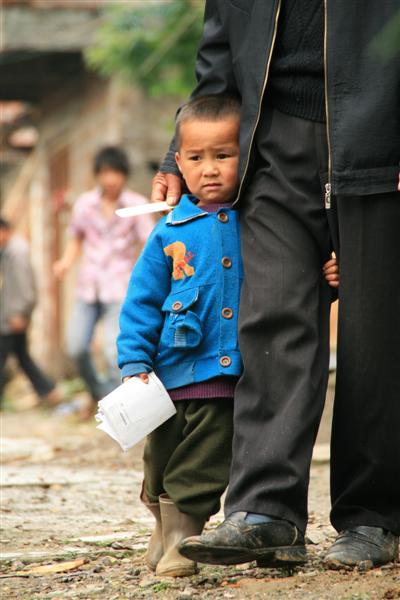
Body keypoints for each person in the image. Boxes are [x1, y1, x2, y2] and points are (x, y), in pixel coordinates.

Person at [151, 1, 400, 569]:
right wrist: (178, 153)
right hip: (267, 144)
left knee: (375, 337)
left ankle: (372, 517)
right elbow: (218, 54)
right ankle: (266, 511)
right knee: (270, 314)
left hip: (379, 141)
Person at [117, 94, 339, 577]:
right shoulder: (168, 231)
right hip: (169, 375)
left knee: (202, 464)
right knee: (160, 460)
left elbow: (292, 282)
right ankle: (162, 526)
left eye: (224, 155)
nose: (210, 170)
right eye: (196, 158)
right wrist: (134, 361)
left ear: (248, 153)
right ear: (179, 162)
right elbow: (141, 301)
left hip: (226, 375)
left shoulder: (262, 224)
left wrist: (329, 276)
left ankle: (182, 536)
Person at [54, 147, 154, 415]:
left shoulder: (136, 205)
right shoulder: (85, 204)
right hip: (88, 285)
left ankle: (119, 409)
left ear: (124, 175)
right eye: (106, 173)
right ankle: (100, 395)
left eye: (116, 173)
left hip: (120, 286)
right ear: (98, 175)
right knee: (75, 346)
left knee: (113, 350)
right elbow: (76, 237)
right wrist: (65, 261)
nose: (111, 179)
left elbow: (149, 241)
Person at [0, 218, 59, 406]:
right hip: (12, 315)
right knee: (22, 356)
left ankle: (50, 391)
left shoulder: (17, 252)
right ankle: (49, 391)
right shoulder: (9, 250)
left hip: (14, 317)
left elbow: (24, 287)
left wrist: (19, 313)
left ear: (4, 231)